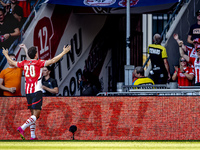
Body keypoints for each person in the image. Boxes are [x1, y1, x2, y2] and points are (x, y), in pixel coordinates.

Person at [2, 44, 71, 140]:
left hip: (28, 92)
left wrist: (5, 54)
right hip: (36, 91)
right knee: (36, 115)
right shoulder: (39, 63)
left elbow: (12, 62)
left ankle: (33, 136)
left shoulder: (24, 63)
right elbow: (53, 60)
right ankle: (22, 128)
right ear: (35, 55)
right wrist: (64, 52)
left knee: (32, 114)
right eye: (37, 53)